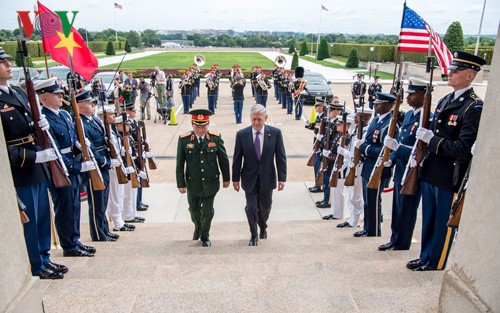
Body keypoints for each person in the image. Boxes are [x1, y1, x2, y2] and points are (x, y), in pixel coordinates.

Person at [407, 51, 486, 271]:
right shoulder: (445, 99)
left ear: (470, 75)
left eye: (456, 70)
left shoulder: (473, 107)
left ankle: (436, 261)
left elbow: (463, 149)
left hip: (449, 175)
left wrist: (432, 140)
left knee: (443, 222)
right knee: (429, 219)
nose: (450, 73)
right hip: (432, 170)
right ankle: (425, 256)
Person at [0, 49, 67, 279]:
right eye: (3, 62)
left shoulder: (17, 92)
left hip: (37, 164)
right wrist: (33, 156)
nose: (9, 65)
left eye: (8, 61)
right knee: (30, 222)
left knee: (42, 218)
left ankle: (44, 258)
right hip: (22, 167)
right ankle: (36, 264)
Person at [36, 78, 96, 257]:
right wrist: (77, 166)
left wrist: (79, 145)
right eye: (56, 94)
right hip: (61, 169)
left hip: (72, 165)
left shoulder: (63, 115)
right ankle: (69, 246)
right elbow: (53, 148)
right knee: (65, 208)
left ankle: (74, 240)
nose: (60, 96)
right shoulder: (45, 119)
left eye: (60, 94)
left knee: (75, 206)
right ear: (44, 99)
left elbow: (70, 139)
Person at [379, 78, 427, 251]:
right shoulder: (409, 114)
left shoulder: (426, 117)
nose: (408, 98)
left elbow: (421, 150)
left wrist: (398, 148)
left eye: (412, 94)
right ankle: (394, 238)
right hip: (401, 166)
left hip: (412, 169)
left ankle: (402, 242)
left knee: (407, 208)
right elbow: (401, 139)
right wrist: (392, 156)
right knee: (397, 206)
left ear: (423, 95)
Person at [232, 104, 287, 246]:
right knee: (251, 208)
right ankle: (253, 235)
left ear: (266, 118)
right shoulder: (242, 135)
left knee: (265, 207)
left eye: (259, 119)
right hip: (249, 178)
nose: (256, 122)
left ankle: (263, 225)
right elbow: (237, 158)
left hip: (267, 177)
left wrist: (282, 178)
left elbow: (280, 157)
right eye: (254, 119)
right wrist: (235, 179)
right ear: (250, 118)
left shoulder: (275, 133)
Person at [176, 109, 230, 247]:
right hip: (193, 183)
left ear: (208, 124)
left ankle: (205, 235)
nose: (200, 129)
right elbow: (180, 162)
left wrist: (226, 178)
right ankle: (198, 227)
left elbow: (223, 160)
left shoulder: (215, 138)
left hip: (210, 183)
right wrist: (180, 183)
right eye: (197, 126)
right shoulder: (184, 139)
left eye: (203, 126)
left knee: (207, 211)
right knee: (194, 210)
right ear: (192, 124)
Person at [76, 90, 117, 242]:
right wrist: (104, 162)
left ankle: (104, 230)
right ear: (79, 107)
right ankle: (98, 233)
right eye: (88, 103)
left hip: (103, 161)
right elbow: (90, 147)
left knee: (103, 201)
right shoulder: (81, 123)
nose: (92, 104)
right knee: (96, 202)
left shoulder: (93, 120)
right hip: (96, 164)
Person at [355, 92, 397, 237]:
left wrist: (364, 148)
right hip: (368, 166)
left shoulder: (390, 124)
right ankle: (367, 228)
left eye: (378, 104)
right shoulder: (376, 121)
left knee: (374, 201)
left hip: (378, 168)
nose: (375, 105)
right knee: (367, 201)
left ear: (387, 106)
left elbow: (385, 150)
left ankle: (373, 231)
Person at [336, 108, 374, 228]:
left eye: (358, 116)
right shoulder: (357, 129)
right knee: (351, 194)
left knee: (356, 195)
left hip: (359, 166)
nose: (355, 118)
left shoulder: (366, 132)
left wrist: (344, 153)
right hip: (352, 164)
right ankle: (352, 218)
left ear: (365, 118)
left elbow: (358, 153)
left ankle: (356, 220)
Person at [306, 99, 327, 193]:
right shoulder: (320, 117)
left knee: (318, 165)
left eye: (317, 106)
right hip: (317, 144)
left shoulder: (324, 117)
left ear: (322, 107)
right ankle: (317, 184)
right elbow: (315, 129)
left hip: (321, 146)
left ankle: (319, 185)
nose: (315, 108)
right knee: (316, 165)